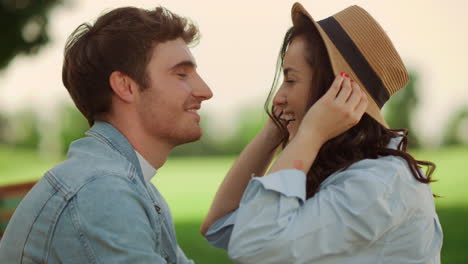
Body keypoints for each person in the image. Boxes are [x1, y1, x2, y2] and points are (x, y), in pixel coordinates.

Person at [201, 2, 442, 263]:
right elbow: (219, 225)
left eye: (290, 80)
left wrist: (310, 135)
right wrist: (274, 132)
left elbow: (254, 248)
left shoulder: (379, 184)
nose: (278, 97)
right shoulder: (340, 169)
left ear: (336, 90)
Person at [0, 6, 212, 263]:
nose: (205, 90)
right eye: (182, 74)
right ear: (126, 86)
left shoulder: (130, 184)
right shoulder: (102, 190)